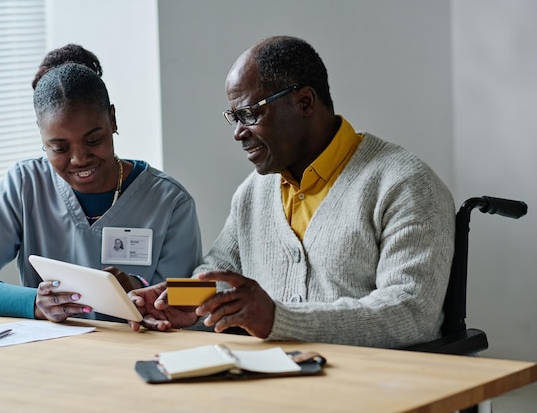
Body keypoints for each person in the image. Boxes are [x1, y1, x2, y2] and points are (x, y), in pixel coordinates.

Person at [128, 36, 455, 349]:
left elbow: (410, 312)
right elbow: (219, 274)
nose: (238, 133)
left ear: (304, 102)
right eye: (234, 117)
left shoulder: (405, 184)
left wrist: (279, 319)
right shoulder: (253, 192)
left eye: (249, 114)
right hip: (268, 382)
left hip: (366, 391)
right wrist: (181, 300)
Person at [0, 44, 202, 323]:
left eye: (93, 140)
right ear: (42, 137)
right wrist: (34, 302)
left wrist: (139, 288)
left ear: (112, 119)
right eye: (59, 148)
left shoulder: (170, 201)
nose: (79, 159)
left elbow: (192, 300)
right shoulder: (25, 184)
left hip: (138, 353)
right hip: (52, 354)